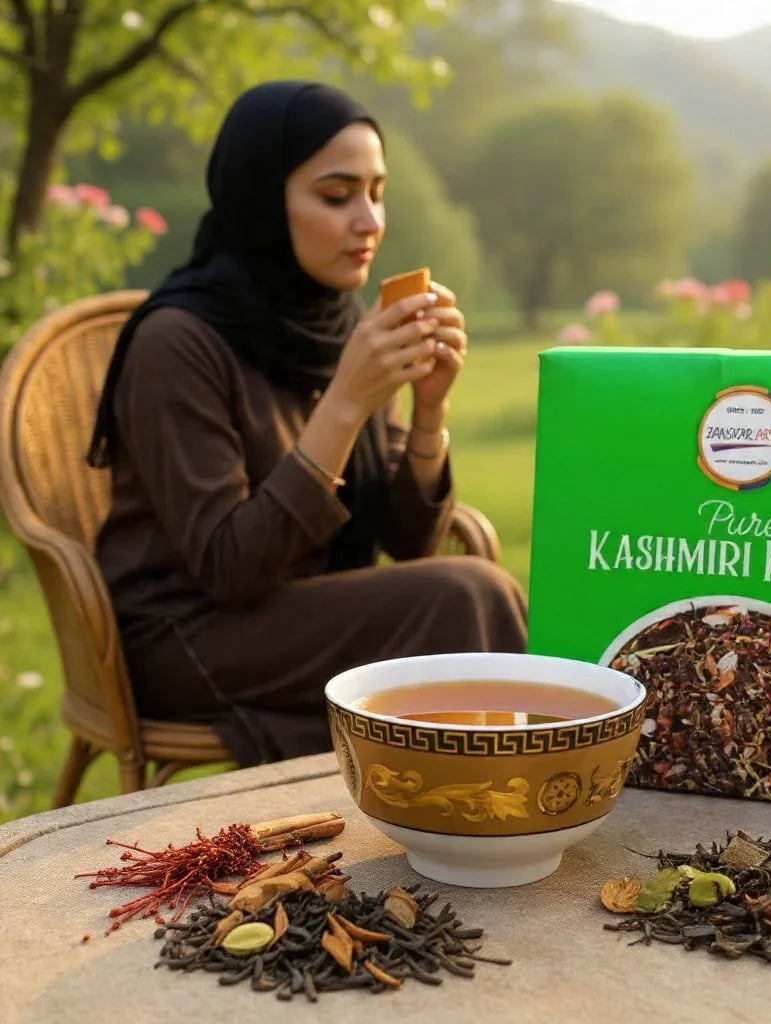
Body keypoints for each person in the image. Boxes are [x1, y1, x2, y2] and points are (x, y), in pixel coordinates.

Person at [87, 81, 528, 765]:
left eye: (377, 192)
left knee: (461, 593)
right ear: (263, 200)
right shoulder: (176, 341)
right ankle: (498, 801)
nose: (369, 221)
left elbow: (411, 545)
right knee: (466, 592)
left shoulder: (338, 322)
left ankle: (477, 801)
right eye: (337, 195)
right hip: (190, 637)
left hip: (301, 611)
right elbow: (230, 569)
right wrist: (346, 402)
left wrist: (429, 410)